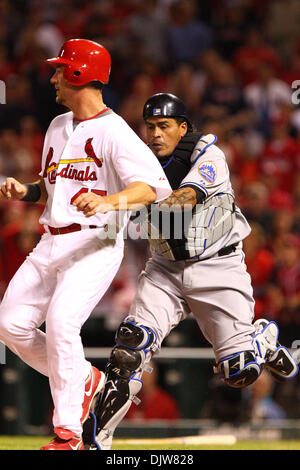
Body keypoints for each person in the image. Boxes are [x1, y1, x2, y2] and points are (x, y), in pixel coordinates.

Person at [83, 93, 299, 451]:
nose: (155, 134)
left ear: (182, 128)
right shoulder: (135, 162)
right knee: (129, 349)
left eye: (164, 126)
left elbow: (184, 199)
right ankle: (96, 441)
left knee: (240, 372)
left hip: (218, 265)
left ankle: (262, 340)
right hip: (164, 267)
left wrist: (129, 200)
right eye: (149, 126)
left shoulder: (207, 154)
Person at [0, 39, 172, 450]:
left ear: (80, 74)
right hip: (51, 241)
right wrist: (24, 190)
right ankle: (87, 379)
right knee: (10, 323)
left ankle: (69, 434)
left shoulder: (114, 130)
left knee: (61, 323)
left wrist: (108, 201)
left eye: (61, 69)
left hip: (96, 242)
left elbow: (153, 187)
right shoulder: (58, 126)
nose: (55, 76)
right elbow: (52, 187)